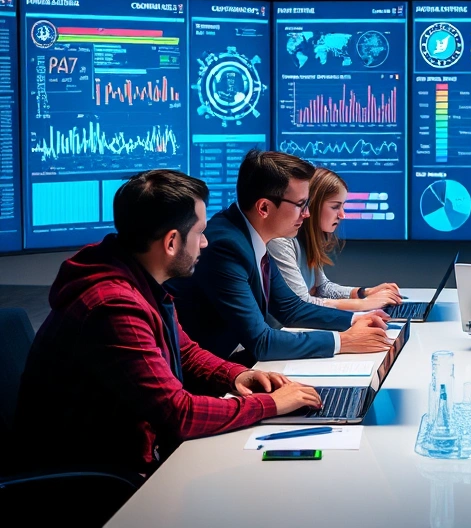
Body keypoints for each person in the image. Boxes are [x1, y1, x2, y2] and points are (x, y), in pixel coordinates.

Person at [14, 170, 323, 476]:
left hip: (122, 455)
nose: (205, 243)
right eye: (200, 232)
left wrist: (237, 376)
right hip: (95, 479)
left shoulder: (138, 278)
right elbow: (179, 415)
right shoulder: (115, 306)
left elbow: (185, 351)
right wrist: (271, 404)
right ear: (172, 242)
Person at [169, 150, 391, 365]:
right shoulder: (226, 247)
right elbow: (261, 342)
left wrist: (356, 319)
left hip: (230, 360)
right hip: (205, 374)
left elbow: (291, 308)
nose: (307, 213)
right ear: (264, 207)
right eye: (301, 205)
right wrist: (345, 341)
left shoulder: (251, 236)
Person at [267, 167, 403, 311]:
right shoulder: (281, 240)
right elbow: (302, 302)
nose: (342, 215)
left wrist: (364, 293)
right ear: (313, 205)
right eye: (335, 207)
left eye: (343, 206)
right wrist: (364, 304)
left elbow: (322, 287)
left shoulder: (308, 239)